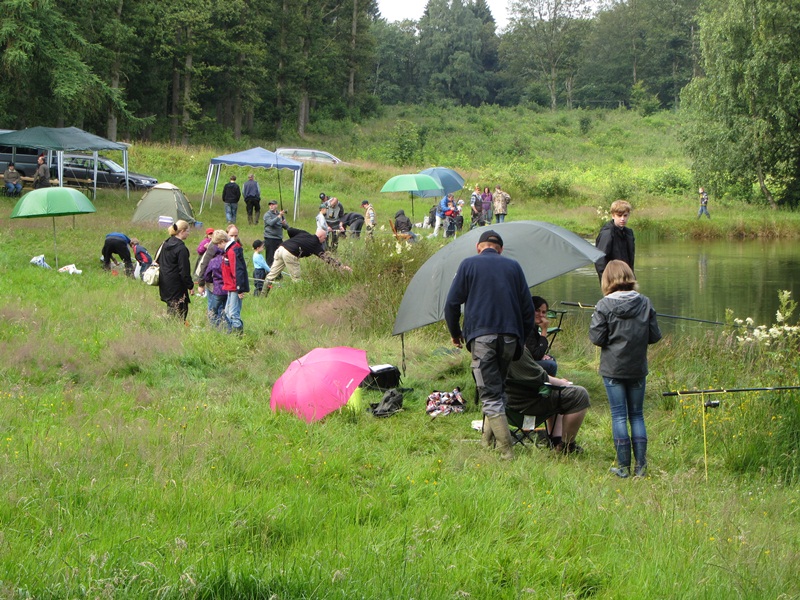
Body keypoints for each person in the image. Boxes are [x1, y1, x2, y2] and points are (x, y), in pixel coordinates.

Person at [444, 229, 535, 460]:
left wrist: (455, 333)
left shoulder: (468, 265)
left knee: (490, 394)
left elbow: (452, 304)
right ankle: (486, 443)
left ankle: (506, 452)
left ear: (478, 247)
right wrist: (521, 340)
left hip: (482, 337)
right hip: (510, 338)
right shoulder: (514, 267)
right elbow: (528, 309)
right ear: (500, 250)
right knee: (497, 389)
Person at [589, 260, 662, 478]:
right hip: (637, 367)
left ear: (607, 280)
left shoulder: (603, 305)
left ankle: (623, 468)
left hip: (613, 368)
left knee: (619, 415)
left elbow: (597, 338)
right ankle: (641, 467)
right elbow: (654, 336)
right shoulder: (645, 303)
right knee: (637, 415)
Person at [505, 347, 590, 454]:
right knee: (579, 394)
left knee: (555, 393)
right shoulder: (515, 349)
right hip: (525, 406)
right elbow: (539, 376)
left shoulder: (491, 345)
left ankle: (556, 440)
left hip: (504, 406)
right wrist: (562, 383)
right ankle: (567, 446)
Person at [264, 227, 352, 292]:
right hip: (290, 253)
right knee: (296, 279)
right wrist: (342, 266)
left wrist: (295, 241)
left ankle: (263, 294)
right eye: (324, 238)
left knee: (271, 275)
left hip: (280, 249)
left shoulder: (304, 233)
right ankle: (299, 298)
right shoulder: (315, 245)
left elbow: (290, 230)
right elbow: (327, 258)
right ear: (320, 236)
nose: (324, 240)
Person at [157, 220, 194, 322]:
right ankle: (175, 328)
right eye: (188, 231)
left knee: (171, 308)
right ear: (182, 231)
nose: (188, 233)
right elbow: (184, 271)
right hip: (177, 285)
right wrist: (190, 286)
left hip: (164, 282)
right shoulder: (181, 249)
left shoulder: (166, 243)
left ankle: (170, 327)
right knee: (181, 311)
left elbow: (158, 260)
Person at [595, 199, 635, 282]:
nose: (622, 219)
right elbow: (600, 261)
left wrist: (632, 279)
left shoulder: (628, 233)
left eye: (625, 215)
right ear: (613, 216)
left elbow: (630, 261)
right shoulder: (607, 233)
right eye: (619, 216)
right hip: (612, 281)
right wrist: (606, 283)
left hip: (627, 279)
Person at [221, 228, 249, 334]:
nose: (233, 238)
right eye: (231, 235)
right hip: (230, 286)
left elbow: (237, 271)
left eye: (236, 235)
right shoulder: (228, 250)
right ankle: (232, 334)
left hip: (235, 286)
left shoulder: (233, 250)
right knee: (228, 313)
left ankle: (239, 336)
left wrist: (240, 288)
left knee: (233, 314)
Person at [526, 296, 558, 377]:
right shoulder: (527, 328)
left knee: (551, 358)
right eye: (537, 310)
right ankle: (545, 384)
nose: (540, 315)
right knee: (551, 365)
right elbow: (536, 355)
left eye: (543, 312)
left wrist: (542, 356)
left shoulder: (533, 326)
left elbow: (535, 351)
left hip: (528, 360)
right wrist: (544, 330)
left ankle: (545, 381)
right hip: (521, 365)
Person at [203, 230, 229, 328]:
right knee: (225, 310)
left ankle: (214, 327)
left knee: (213, 311)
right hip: (228, 289)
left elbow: (207, 275)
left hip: (217, 289)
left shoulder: (213, 261)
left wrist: (211, 281)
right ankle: (227, 327)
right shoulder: (228, 260)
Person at [263, 200, 288, 267]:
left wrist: (284, 224)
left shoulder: (280, 214)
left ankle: (277, 271)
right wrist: (279, 216)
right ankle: (269, 271)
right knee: (270, 258)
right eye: (270, 205)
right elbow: (271, 223)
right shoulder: (267, 215)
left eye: (273, 204)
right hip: (270, 238)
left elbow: (286, 227)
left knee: (279, 257)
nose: (271, 206)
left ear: (276, 205)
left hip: (279, 239)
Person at [194, 227, 215, 297]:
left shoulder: (215, 242)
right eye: (210, 234)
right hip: (203, 258)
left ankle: (206, 290)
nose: (211, 235)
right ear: (207, 235)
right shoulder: (205, 241)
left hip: (210, 260)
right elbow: (199, 250)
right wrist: (205, 247)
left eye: (212, 234)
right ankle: (203, 290)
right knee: (203, 272)